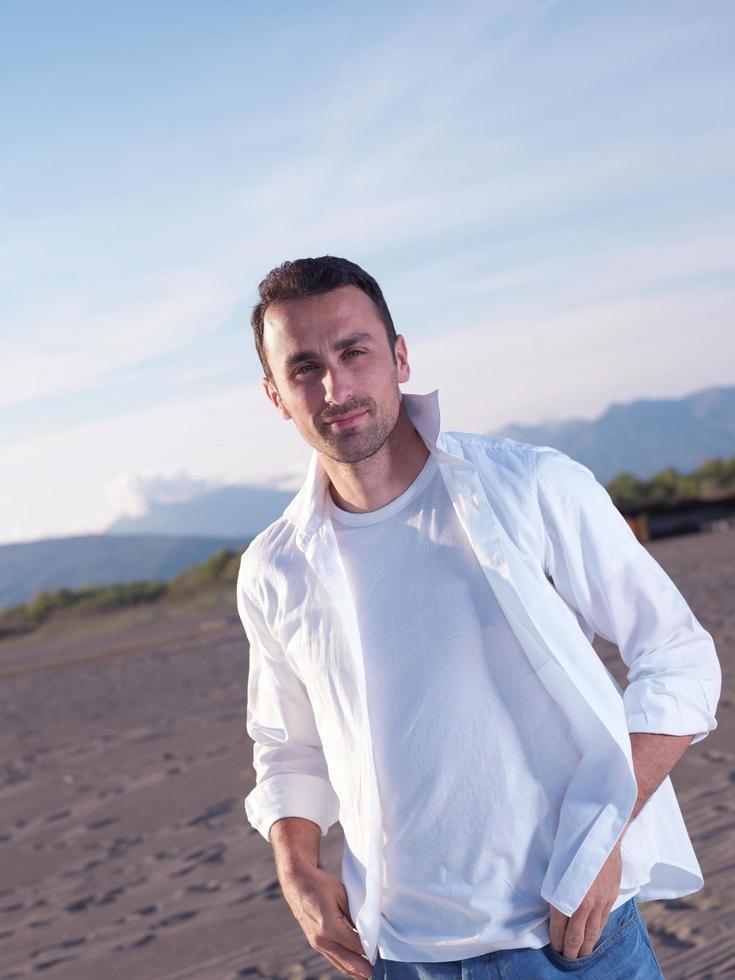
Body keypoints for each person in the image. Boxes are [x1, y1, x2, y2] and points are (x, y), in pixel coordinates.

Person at [237, 256, 721, 980]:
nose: (334, 387)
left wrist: (601, 841)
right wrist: (296, 867)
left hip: (570, 941)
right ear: (276, 395)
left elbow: (678, 656)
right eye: (304, 368)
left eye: (353, 352)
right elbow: (286, 746)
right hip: (400, 956)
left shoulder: (529, 485)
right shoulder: (274, 567)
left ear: (398, 356)